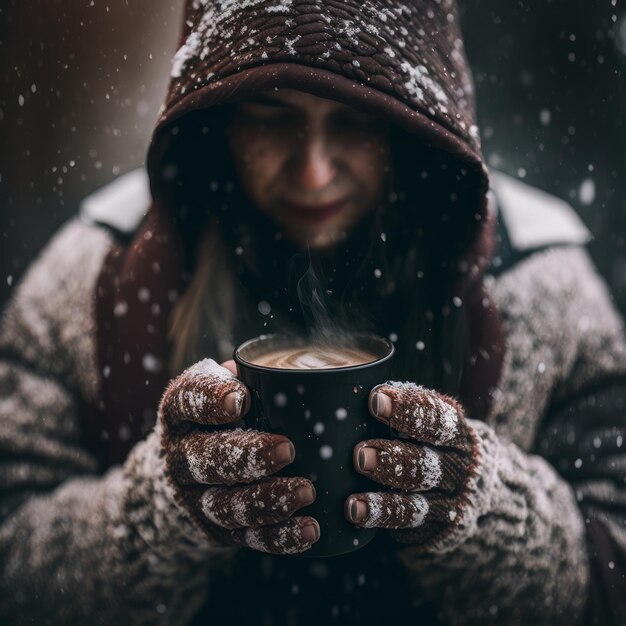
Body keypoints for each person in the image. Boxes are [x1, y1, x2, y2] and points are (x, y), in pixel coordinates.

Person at [1, 0, 625, 624]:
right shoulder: (95, 278)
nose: (313, 172)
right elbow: (13, 562)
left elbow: (613, 567)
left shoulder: (537, 284)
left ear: (415, 127)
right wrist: (162, 511)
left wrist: (483, 510)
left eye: (356, 121)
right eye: (272, 117)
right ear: (218, 120)